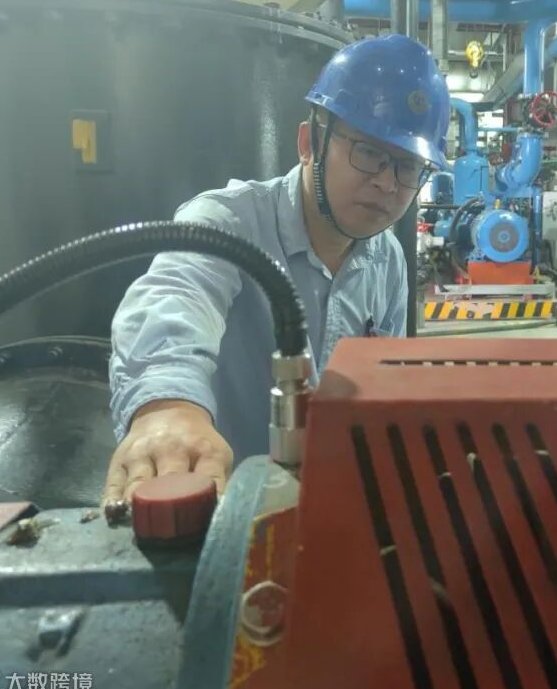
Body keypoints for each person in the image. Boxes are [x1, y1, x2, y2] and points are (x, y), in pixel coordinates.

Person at [102, 34, 450, 505]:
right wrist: (168, 407)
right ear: (309, 143)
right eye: (369, 153)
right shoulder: (226, 224)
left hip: (327, 502)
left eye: (408, 167)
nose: (388, 184)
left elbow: (383, 389)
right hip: (220, 506)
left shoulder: (387, 261)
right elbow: (174, 298)